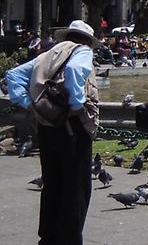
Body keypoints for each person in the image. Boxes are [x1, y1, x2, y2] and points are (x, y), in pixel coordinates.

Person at [5, 20, 99, 245]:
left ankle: (48, 237)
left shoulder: (46, 55)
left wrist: (28, 103)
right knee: (76, 188)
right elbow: (76, 70)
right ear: (87, 40)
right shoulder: (82, 51)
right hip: (72, 128)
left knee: (52, 184)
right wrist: (76, 104)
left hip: (47, 126)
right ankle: (70, 238)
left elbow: (12, 76)